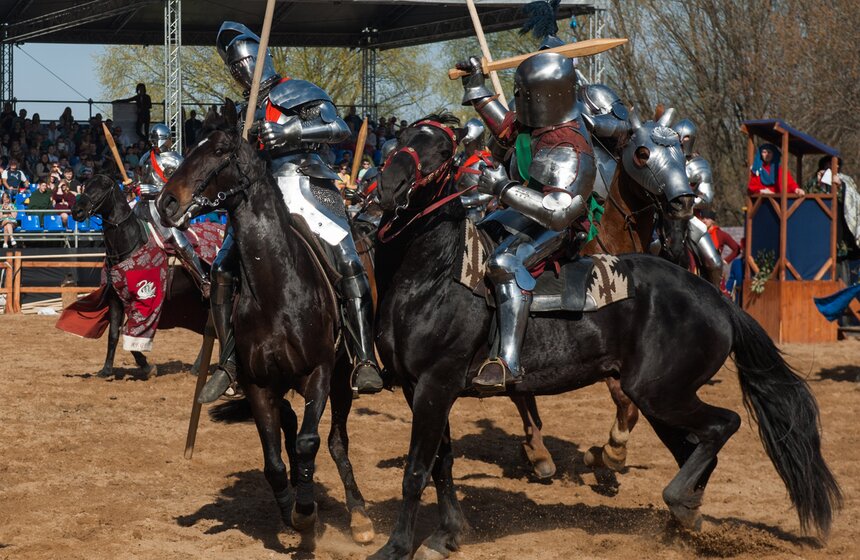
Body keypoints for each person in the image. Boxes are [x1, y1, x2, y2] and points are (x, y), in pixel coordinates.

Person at [197, 21, 384, 403]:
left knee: (349, 261)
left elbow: (338, 129)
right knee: (220, 270)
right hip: (259, 197)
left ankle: (364, 358)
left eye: (244, 63)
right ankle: (229, 362)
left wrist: (291, 133)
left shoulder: (296, 90)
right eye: (234, 68)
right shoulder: (244, 112)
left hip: (306, 184)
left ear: (260, 58)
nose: (240, 72)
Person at [457, 51, 597, 392]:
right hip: (524, 211)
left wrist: (502, 187)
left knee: (505, 262)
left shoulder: (569, 144)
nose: (520, 100)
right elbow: (506, 128)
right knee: (474, 238)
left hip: (560, 228)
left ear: (543, 96)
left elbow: (557, 213)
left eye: (524, 94)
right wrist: (476, 87)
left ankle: (507, 361)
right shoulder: (537, 127)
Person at [135, 124, 210, 294]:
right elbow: (140, 179)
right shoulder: (145, 157)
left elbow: (182, 188)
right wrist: (133, 186)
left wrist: (153, 189)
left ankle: (203, 279)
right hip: (142, 206)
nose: (154, 143)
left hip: (163, 207)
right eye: (153, 140)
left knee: (179, 242)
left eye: (157, 139)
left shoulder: (176, 160)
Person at [672, 118, 724, 288]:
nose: (681, 140)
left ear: (691, 139)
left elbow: (707, 197)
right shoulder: (665, 160)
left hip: (689, 217)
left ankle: (715, 295)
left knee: (714, 262)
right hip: (665, 215)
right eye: (677, 136)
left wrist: (686, 202)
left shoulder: (699, 165)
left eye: (685, 137)